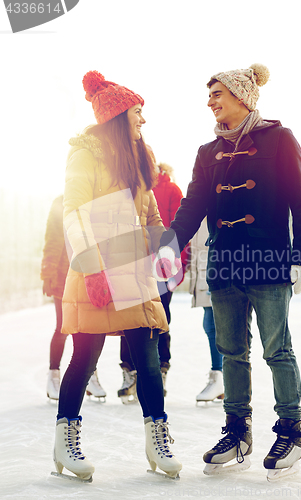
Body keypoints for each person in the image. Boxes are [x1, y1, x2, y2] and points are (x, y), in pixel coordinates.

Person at [153, 64, 301, 479]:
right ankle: (237, 429)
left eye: (217, 94)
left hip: (268, 261)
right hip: (224, 265)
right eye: (208, 95)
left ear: (242, 96)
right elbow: (192, 206)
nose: (210, 102)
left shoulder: (280, 140)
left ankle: (290, 431)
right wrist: (170, 244)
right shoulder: (208, 153)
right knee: (231, 352)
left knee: (276, 349)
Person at [53, 70, 182, 482]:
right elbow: (73, 211)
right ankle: (65, 442)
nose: (143, 121)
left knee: (147, 359)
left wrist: (164, 249)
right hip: (97, 266)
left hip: (132, 268)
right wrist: (92, 268)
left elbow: (151, 211)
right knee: (85, 356)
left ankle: (157, 439)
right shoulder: (85, 154)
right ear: (118, 114)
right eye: (138, 112)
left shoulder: (140, 154)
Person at [117, 163, 187, 402]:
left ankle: (160, 369)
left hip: (161, 267)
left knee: (159, 318)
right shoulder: (129, 188)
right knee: (130, 317)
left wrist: (177, 266)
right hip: (133, 265)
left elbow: (179, 231)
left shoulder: (172, 190)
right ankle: (130, 372)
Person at [41, 195, 106, 402]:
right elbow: (52, 239)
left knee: (90, 327)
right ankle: (53, 375)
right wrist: (48, 273)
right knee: (63, 326)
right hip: (63, 274)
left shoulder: (97, 200)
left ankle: (90, 375)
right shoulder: (61, 202)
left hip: (89, 274)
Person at [188, 217, 224, 403]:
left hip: (215, 268)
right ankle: (220, 376)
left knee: (214, 324)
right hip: (203, 269)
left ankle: (220, 376)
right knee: (211, 324)